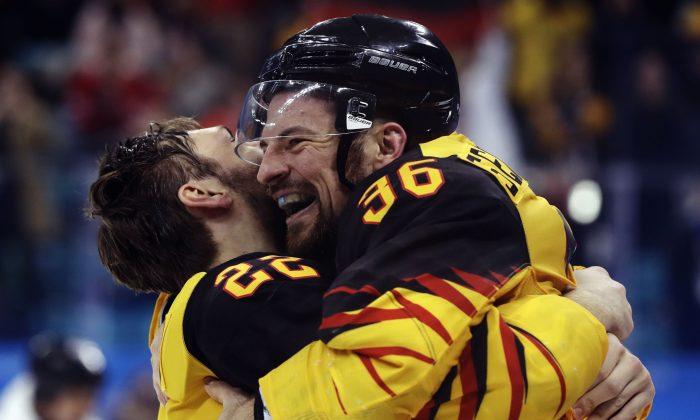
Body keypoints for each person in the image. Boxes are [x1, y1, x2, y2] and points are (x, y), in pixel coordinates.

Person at [233, 14, 652, 419]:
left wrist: (258, 413)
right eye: (265, 146)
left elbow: (383, 387)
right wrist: (586, 316)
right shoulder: (452, 185)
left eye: (297, 142)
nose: (266, 170)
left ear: (385, 145)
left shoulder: (422, 189)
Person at [89, 118, 647, 420]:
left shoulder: (210, 304)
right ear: (203, 192)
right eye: (236, 147)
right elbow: (450, 392)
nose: (264, 160)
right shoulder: (242, 290)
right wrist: (583, 314)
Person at [0, 334, 106, 420]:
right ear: (44, 399)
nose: (88, 407)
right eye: (78, 396)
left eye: (90, 396)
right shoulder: (11, 413)